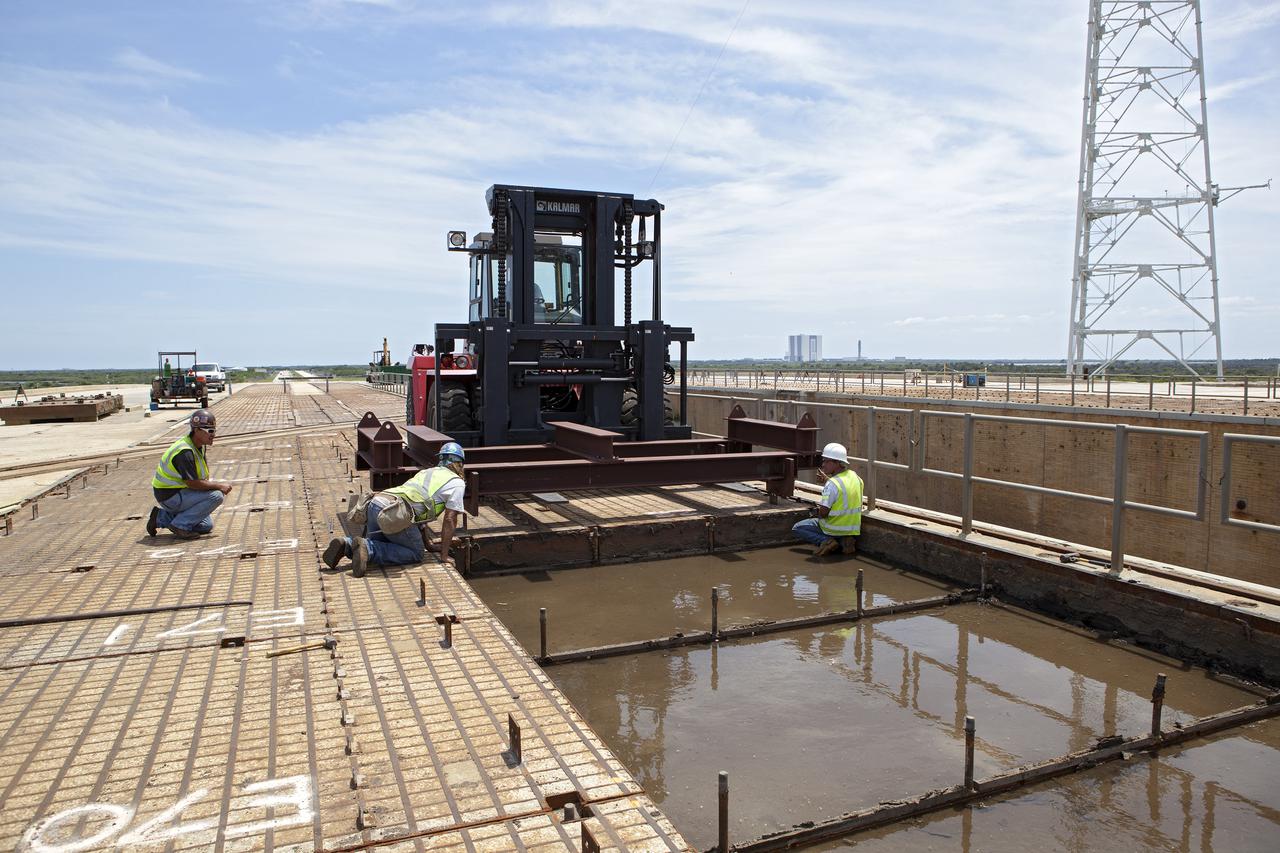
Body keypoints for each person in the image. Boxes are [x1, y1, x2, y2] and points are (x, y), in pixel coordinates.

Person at [324, 442, 466, 577]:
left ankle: (347, 544)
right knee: (415, 553)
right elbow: (450, 519)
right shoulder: (456, 483)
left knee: (383, 544)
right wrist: (444, 555)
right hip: (392, 514)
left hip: (376, 504)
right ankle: (368, 548)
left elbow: (420, 511)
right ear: (460, 464)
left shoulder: (427, 472)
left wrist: (428, 544)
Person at [147, 409, 233, 539]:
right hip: (170, 496)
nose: (213, 435)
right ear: (197, 430)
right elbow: (193, 483)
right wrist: (218, 486)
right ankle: (180, 525)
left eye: (214, 430)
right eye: (210, 431)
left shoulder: (199, 446)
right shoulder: (185, 452)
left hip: (180, 492)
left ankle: (160, 517)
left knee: (205, 526)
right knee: (216, 496)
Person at [792, 442, 864, 557]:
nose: (823, 464)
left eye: (826, 461)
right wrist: (827, 480)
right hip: (852, 529)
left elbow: (823, 513)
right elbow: (844, 491)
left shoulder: (832, 484)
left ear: (837, 463)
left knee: (797, 528)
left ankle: (826, 541)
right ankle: (845, 541)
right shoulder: (855, 476)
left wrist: (817, 513)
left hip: (833, 528)